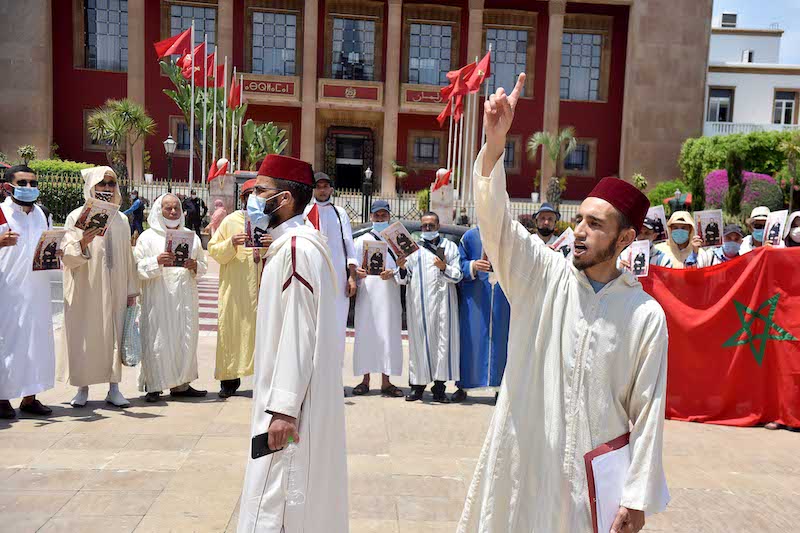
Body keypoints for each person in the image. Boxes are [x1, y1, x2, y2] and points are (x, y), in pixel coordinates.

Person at [459, 74, 669, 533]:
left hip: (593, 484)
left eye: (595, 225)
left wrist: (635, 497)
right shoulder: (543, 274)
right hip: (528, 468)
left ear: (626, 239)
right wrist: (493, 148)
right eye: (579, 219)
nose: (578, 231)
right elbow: (497, 224)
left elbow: (649, 410)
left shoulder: (645, 316)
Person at [237, 155, 348, 533]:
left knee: (274, 502)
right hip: (283, 398)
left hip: (286, 408)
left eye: (259, 191)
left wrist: (283, 408)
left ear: (284, 199)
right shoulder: (291, 246)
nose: (251, 197)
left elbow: (300, 331)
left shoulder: (299, 249)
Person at [58, 167, 139, 408]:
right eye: (102, 184)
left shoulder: (122, 219)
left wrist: (131, 290)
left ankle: (114, 387)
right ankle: (82, 388)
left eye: (111, 184)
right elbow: (66, 254)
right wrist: (83, 242)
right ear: (92, 186)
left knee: (113, 334)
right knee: (86, 335)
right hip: (87, 287)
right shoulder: (76, 217)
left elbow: (128, 257)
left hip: (116, 288)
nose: (106, 188)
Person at [133, 194, 208, 402]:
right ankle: (154, 385)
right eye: (168, 208)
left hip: (184, 298)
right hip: (158, 296)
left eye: (176, 208)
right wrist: (156, 261)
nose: (173, 212)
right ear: (159, 210)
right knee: (158, 339)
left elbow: (203, 265)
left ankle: (181, 384)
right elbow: (137, 268)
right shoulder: (146, 238)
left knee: (184, 338)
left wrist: (195, 266)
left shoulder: (190, 236)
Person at [208, 179, 271, 398]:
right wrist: (231, 243)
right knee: (232, 331)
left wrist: (269, 246)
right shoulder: (230, 221)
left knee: (262, 335)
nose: (252, 200)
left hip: (261, 289)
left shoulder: (268, 222)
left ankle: (263, 381)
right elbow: (214, 249)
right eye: (248, 196)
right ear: (242, 199)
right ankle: (229, 381)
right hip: (235, 289)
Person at [0, 165, 55, 418]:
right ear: (8, 186)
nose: (29, 188)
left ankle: (30, 397)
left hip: (38, 290)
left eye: (33, 183)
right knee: (7, 342)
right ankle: (2, 397)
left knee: (36, 342)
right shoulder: (1, 212)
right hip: (8, 290)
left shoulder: (41, 214)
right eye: (22, 183)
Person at [399, 211, 462, 403]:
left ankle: (440, 389)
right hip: (420, 304)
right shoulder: (413, 249)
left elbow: (458, 275)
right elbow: (405, 277)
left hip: (444, 304)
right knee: (419, 345)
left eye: (431, 225)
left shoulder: (450, 247)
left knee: (442, 346)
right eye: (424, 226)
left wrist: (444, 268)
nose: (427, 229)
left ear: (438, 227)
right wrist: (401, 267)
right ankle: (417, 387)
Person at [303, 172, 358, 368]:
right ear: (313, 189)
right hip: (312, 277)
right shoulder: (305, 212)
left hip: (337, 279)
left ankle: (334, 380)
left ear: (331, 189)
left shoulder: (339, 213)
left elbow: (349, 245)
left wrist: (352, 277)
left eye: (326, 186)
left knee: (336, 328)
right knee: (313, 328)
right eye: (319, 186)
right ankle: (311, 378)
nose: (323, 190)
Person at [351, 200, 404, 398]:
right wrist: (358, 272)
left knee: (388, 335)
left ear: (389, 216)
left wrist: (395, 271)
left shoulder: (397, 239)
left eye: (384, 215)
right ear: (371, 216)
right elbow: (352, 265)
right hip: (367, 294)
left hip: (389, 293)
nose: (380, 218)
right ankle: (365, 380)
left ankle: (386, 381)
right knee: (365, 334)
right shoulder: (361, 240)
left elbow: (408, 266)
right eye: (377, 215)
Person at [451, 226, 510, 404]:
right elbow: (458, 264)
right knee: (470, 340)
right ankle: (462, 386)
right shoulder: (470, 236)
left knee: (502, 342)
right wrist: (473, 265)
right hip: (476, 296)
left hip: (503, 297)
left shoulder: (509, 235)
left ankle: (502, 388)